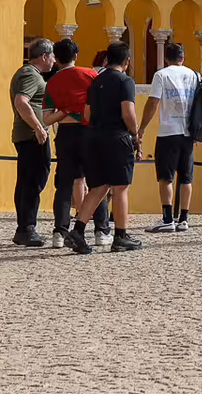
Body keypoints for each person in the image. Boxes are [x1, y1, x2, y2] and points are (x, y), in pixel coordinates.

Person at [60, 42, 145, 253]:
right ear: (126, 61)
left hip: (93, 138)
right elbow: (128, 112)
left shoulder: (95, 82)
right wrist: (135, 133)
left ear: (107, 59)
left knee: (98, 186)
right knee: (120, 187)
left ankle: (77, 231)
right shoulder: (125, 81)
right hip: (116, 138)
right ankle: (121, 235)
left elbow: (87, 114)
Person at [44, 38, 110, 246]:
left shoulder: (52, 82)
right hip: (89, 133)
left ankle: (59, 231)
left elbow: (46, 117)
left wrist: (66, 113)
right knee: (97, 182)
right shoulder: (91, 75)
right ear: (75, 55)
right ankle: (101, 230)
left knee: (63, 184)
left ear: (56, 59)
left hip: (65, 134)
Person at [139, 41, 201, 234]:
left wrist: (141, 128)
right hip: (188, 131)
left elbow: (153, 102)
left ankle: (167, 218)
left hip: (168, 129)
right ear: (182, 58)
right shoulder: (194, 75)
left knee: (165, 177)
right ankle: (183, 218)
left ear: (166, 58)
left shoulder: (161, 75)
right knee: (186, 177)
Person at [8, 39, 59, 247]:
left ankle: (25, 227)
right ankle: (27, 227)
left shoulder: (30, 74)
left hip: (29, 134)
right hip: (32, 135)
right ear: (44, 56)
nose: (54, 60)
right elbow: (21, 101)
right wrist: (38, 128)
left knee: (27, 180)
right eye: (53, 56)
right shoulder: (30, 74)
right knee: (33, 180)